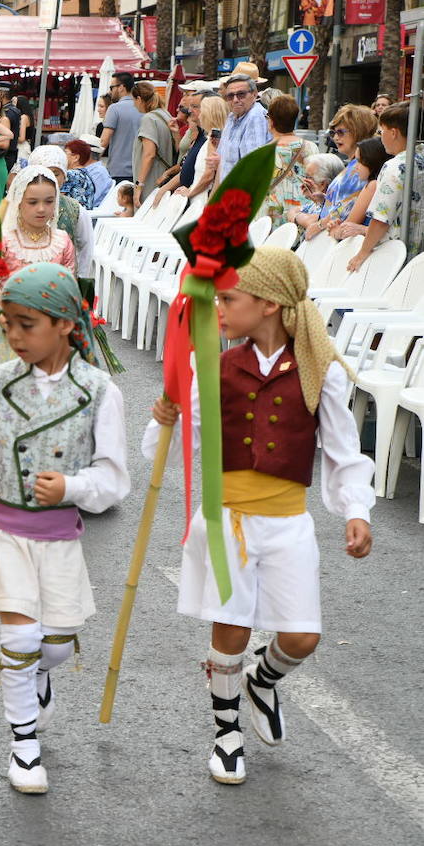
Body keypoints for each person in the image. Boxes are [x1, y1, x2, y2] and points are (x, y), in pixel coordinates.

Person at [146, 247, 373, 785]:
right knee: (231, 627)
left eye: (230, 298)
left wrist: (355, 511)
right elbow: (171, 447)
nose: (219, 309)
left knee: (301, 637)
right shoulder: (217, 368)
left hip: (288, 521)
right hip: (226, 520)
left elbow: (343, 451)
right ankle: (227, 736)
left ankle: (262, 680)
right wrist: (163, 419)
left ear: (269, 305)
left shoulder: (320, 371)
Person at [0, 261, 128, 794]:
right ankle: (23, 747)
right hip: (0, 528)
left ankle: (43, 671)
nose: (14, 336)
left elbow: (115, 478)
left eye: (27, 324)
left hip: (59, 533)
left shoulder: (98, 390)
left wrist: (71, 488)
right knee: (19, 637)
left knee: (57, 644)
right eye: (7, 325)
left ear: (66, 324)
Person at [0, 166, 78, 387]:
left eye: (49, 201)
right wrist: (8, 322)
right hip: (9, 330)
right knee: (8, 392)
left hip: (51, 333)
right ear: (18, 200)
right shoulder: (4, 240)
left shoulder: (62, 240)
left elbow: (70, 288)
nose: (41, 209)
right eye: (33, 202)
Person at [347, 102, 419, 272]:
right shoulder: (420, 159)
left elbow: (381, 217)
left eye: (381, 131)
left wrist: (362, 253)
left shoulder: (394, 167)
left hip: (394, 255)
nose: (380, 136)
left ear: (393, 133)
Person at [292, 104, 376, 237]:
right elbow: (344, 203)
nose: (336, 137)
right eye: (333, 132)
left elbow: (345, 210)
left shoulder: (359, 167)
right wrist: (324, 199)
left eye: (341, 132)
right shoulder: (354, 164)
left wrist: (318, 225)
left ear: (358, 132)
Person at [27, 145, 95, 279]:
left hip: (61, 284)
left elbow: (85, 247)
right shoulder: (17, 206)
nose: (50, 178)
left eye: (56, 173)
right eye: (43, 173)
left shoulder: (75, 210)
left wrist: (81, 280)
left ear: (64, 176)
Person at [258, 95, 313, 229]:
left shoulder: (263, 153)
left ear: (270, 121)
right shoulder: (310, 147)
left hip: (272, 216)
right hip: (302, 215)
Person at [322, 140, 387, 240]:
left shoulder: (372, 185)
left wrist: (334, 231)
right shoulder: (378, 183)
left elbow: (346, 228)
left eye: (360, 161)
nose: (356, 167)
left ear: (371, 161)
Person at [218, 73, 271, 180]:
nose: (235, 99)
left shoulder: (255, 117)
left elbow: (253, 168)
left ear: (254, 94)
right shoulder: (232, 117)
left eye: (241, 94)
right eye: (230, 96)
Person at [131, 81, 175, 204]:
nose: (134, 105)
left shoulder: (148, 119)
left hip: (151, 180)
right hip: (163, 178)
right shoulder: (165, 114)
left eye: (133, 100)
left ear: (139, 99)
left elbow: (149, 154)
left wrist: (139, 185)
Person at [100, 72, 140, 183]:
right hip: (140, 170)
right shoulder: (142, 108)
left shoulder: (114, 108)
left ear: (121, 87)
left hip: (119, 170)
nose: (110, 91)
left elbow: (103, 141)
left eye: (112, 87)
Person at [61, 140, 98, 208]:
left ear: (76, 158)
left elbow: (56, 198)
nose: (62, 156)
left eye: (65, 153)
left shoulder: (70, 174)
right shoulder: (87, 175)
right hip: (87, 216)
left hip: (71, 217)